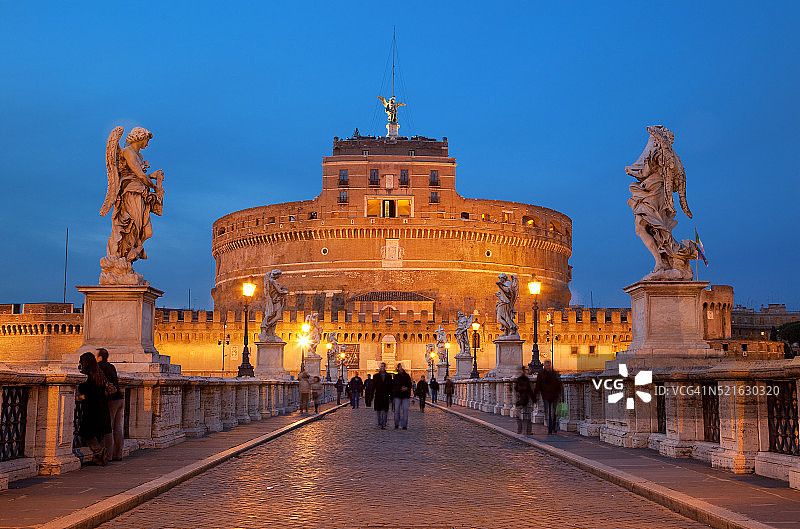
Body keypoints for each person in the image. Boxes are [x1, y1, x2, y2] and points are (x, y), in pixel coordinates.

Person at [76, 352, 112, 465]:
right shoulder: (100, 373)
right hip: (103, 407)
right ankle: (99, 459)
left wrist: (79, 397)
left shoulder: (87, 376)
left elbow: (86, 393)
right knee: (100, 433)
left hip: (92, 409)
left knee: (87, 433)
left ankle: (99, 451)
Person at [96, 348, 124, 461]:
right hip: (119, 397)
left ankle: (109, 454)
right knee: (118, 427)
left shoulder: (99, 367)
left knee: (108, 427)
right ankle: (118, 454)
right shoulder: (112, 366)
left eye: (96, 355)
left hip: (111, 399)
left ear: (100, 357)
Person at [534, 360, 563, 434]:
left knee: (554, 412)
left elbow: (559, 385)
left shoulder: (555, 373)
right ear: (544, 366)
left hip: (554, 395)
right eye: (546, 365)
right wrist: (536, 394)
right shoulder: (541, 374)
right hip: (546, 396)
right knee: (548, 412)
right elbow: (538, 385)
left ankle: (554, 426)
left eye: (549, 365)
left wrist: (560, 393)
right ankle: (550, 428)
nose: (548, 366)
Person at [514, 365, 536, 435]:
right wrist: (533, 399)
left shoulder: (520, 380)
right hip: (524, 399)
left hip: (522, 399)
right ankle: (526, 430)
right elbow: (529, 390)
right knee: (527, 416)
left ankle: (521, 430)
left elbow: (516, 389)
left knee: (523, 416)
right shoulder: (524, 380)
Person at [372, 362, 392, 429]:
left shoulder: (389, 376)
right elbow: (373, 386)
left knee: (385, 410)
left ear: (385, 367)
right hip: (378, 394)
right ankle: (379, 423)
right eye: (381, 366)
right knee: (378, 410)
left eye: (383, 366)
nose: (382, 367)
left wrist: (391, 396)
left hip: (385, 394)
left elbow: (390, 387)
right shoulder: (375, 376)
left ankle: (384, 423)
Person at [392, 363, 412, 429]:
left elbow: (410, 385)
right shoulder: (396, 377)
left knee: (405, 410)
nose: (399, 368)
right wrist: (400, 389)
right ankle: (396, 424)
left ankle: (404, 425)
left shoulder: (407, 376)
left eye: (400, 367)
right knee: (397, 410)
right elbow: (394, 386)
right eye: (398, 367)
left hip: (405, 396)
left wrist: (406, 388)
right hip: (397, 395)